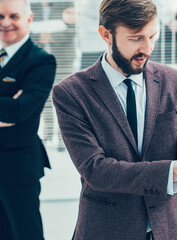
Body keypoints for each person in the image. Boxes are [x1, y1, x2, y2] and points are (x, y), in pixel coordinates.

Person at [52, 0, 177, 239]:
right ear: (106, 34)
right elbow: (96, 170)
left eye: (152, 36)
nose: (147, 48)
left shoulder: (175, 82)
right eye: (136, 38)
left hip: (169, 228)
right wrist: (173, 171)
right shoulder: (71, 93)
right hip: (107, 229)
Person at [0, 0, 57, 239]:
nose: (5, 23)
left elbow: (17, 111)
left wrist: (12, 108)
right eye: (0, 17)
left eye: (13, 16)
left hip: (17, 166)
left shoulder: (41, 60)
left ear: (29, 19)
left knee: (25, 233)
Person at [31, 0, 76, 151]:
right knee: (43, 97)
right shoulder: (32, 5)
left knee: (64, 97)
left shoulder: (65, 3)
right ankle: (48, 134)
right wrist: (39, 38)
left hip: (62, 58)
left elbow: (74, 29)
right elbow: (24, 30)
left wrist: (52, 38)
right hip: (40, 58)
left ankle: (64, 138)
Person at [76, 0, 107, 70]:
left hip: (96, 48)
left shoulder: (98, 2)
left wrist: (78, 19)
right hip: (84, 48)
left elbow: (103, 24)